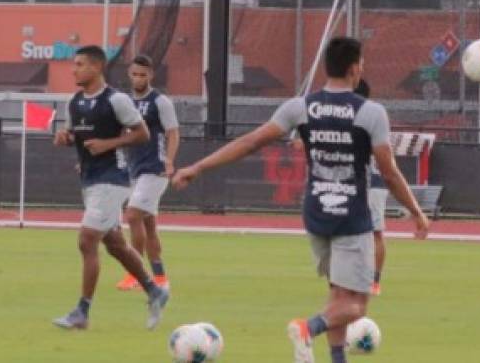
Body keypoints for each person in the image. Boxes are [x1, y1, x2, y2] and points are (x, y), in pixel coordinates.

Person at [173, 37, 430, 363]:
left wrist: (197, 166)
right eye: (361, 63)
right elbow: (390, 173)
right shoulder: (370, 112)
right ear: (354, 68)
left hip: (316, 213)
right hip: (351, 216)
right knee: (356, 305)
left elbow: (252, 142)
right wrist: (416, 211)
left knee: (338, 295)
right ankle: (307, 327)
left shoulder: (301, 107)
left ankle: (337, 358)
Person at [51, 45, 169, 331]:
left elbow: (142, 133)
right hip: (90, 181)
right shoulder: (75, 102)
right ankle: (155, 290)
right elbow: (73, 135)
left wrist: (109, 144)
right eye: (74, 64)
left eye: (79, 64)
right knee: (115, 244)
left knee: (86, 240)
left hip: (113, 179)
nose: (74, 69)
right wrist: (64, 138)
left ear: (96, 67)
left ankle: (82, 312)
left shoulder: (116, 100)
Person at [115, 54, 181, 291]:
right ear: (129, 74)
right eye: (134, 74)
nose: (138, 78)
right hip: (134, 169)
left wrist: (170, 161)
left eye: (143, 75)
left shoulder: (160, 102)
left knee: (132, 215)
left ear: (151, 75)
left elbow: (173, 132)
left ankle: (135, 272)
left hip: (155, 169)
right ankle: (161, 278)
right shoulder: (124, 102)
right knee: (149, 224)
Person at [357, 79, 388, 297]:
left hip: (373, 183)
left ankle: (374, 280)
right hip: (359, 183)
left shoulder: (368, 117)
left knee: (375, 233)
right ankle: (358, 278)